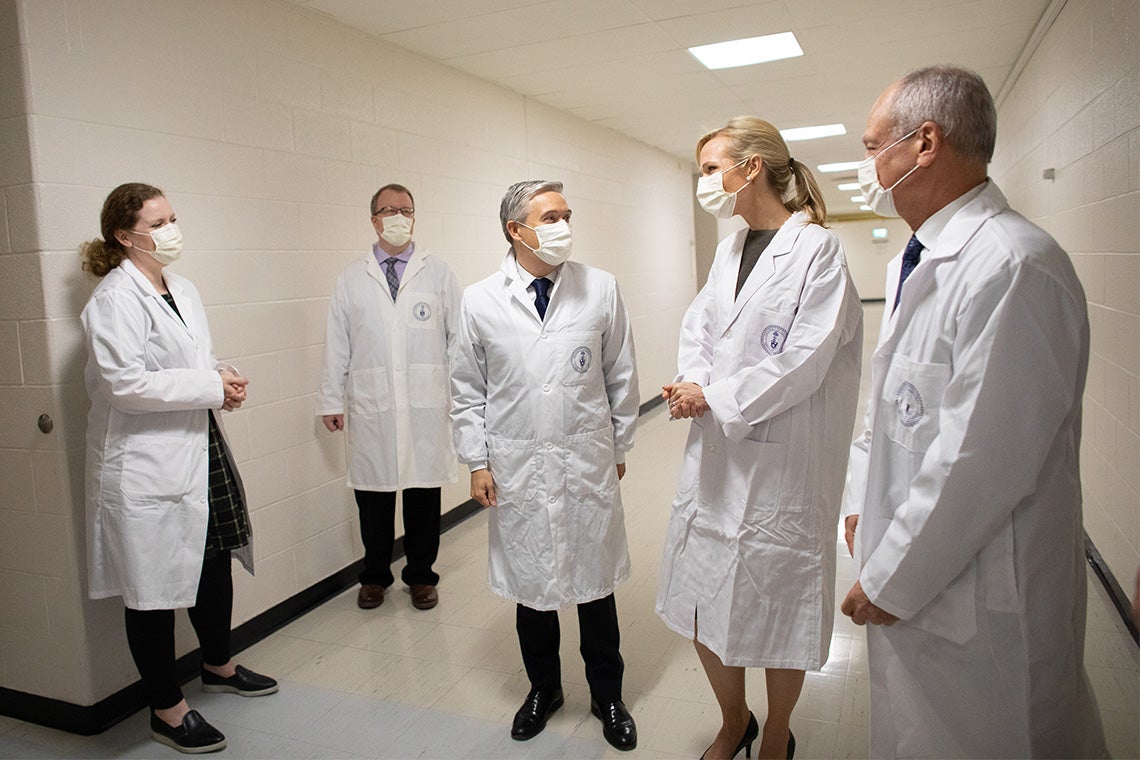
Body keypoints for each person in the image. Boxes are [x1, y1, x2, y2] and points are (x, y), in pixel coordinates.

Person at [840, 65, 1107, 757]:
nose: (866, 165)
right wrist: (858, 507)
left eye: (873, 147)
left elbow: (978, 459)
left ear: (923, 143)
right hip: (920, 574)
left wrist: (890, 576)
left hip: (983, 602)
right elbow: (891, 410)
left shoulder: (1014, 266)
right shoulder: (921, 257)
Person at [656, 118, 862, 760]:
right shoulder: (729, 247)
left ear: (752, 168)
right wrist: (690, 378)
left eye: (713, 167)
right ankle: (733, 719)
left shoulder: (818, 250)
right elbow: (700, 327)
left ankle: (776, 731)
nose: (705, 182)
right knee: (701, 598)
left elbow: (807, 356)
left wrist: (714, 396)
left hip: (783, 466)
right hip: (716, 463)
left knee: (777, 604)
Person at [81, 183, 277, 754]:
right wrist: (209, 386)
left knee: (213, 564)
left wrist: (224, 377)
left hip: (197, 446)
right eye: (158, 222)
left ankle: (217, 665)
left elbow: (190, 362)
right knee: (152, 589)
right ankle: (166, 709)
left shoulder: (181, 289)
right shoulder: (113, 301)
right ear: (124, 235)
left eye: (173, 218)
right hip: (148, 463)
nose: (171, 230)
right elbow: (126, 385)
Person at [450, 181, 639, 751]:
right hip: (517, 466)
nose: (563, 224)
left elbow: (621, 376)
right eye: (550, 216)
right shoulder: (481, 299)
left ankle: (607, 695)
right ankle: (544, 689)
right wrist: (477, 461)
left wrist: (618, 447)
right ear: (516, 230)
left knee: (594, 586)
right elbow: (465, 390)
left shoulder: (599, 288)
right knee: (532, 587)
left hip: (584, 460)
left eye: (566, 214)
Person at [317, 184, 459, 611]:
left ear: (414, 217)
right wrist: (330, 399)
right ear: (374, 219)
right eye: (388, 210)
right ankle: (374, 577)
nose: (398, 217)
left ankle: (420, 577)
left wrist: (462, 395)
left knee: (422, 497)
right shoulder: (351, 279)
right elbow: (336, 343)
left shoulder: (438, 273)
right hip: (372, 404)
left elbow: (459, 340)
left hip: (425, 406)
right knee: (374, 500)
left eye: (406, 209)